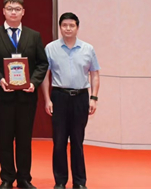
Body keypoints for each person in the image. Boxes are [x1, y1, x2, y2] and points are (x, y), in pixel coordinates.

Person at [0, 0, 49, 189]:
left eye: (17, 9)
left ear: (23, 12)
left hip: (27, 96)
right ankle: (7, 178)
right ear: (3, 11)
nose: (13, 12)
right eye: (10, 9)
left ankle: (24, 178)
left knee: (24, 138)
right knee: (4, 138)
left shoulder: (34, 36)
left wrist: (34, 82)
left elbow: (42, 63)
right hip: (2, 96)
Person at [41, 13, 100, 189]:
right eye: (64, 25)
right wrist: (47, 99)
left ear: (77, 27)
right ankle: (60, 181)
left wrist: (93, 98)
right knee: (59, 142)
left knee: (77, 141)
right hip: (59, 96)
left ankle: (80, 182)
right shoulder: (50, 48)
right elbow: (45, 76)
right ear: (60, 27)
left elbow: (95, 74)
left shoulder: (88, 49)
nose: (68, 28)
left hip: (81, 97)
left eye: (71, 25)